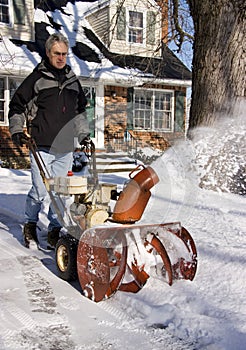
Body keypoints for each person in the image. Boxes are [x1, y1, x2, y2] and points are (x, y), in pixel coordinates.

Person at [8, 33, 89, 248]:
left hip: (64, 148)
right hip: (41, 146)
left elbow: (80, 111)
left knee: (61, 193)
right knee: (40, 191)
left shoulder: (73, 81)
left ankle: (54, 228)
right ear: (48, 53)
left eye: (64, 54)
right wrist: (17, 130)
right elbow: (16, 106)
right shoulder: (36, 79)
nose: (61, 58)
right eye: (57, 54)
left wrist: (83, 134)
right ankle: (31, 224)